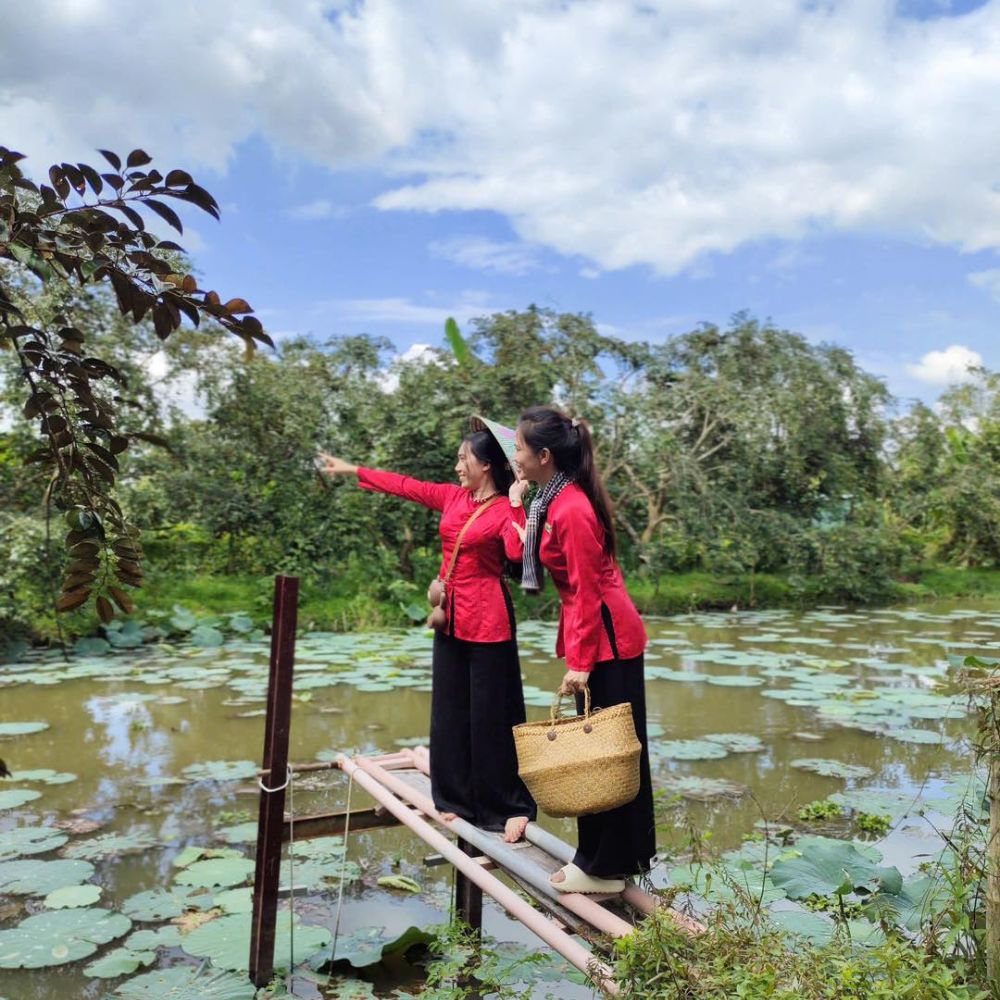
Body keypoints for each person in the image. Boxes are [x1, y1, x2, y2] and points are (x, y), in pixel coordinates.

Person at [316, 419, 536, 843]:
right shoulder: (453, 497)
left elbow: (516, 553)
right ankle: (455, 799)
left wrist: (514, 503)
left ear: (487, 465)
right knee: (451, 711)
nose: (457, 466)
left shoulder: (507, 508)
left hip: (489, 619)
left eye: (463, 458)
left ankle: (506, 807)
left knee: (493, 717)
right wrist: (352, 470)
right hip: (450, 615)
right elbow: (404, 485)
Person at [510, 405, 654, 893]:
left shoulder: (569, 508)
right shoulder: (550, 500)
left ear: (544, 455)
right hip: (593, 631)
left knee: (608, 752)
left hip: (606, 637)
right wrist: (516, 503)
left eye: (520, 449)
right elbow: (527, 549)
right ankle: (599, 859)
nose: (515, 456)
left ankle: (608, 867)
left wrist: (581, 663)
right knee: (599, 751)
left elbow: (588, 590)